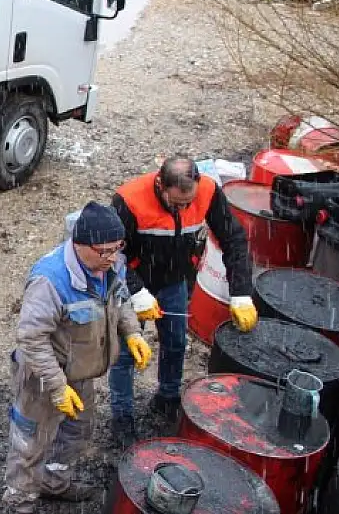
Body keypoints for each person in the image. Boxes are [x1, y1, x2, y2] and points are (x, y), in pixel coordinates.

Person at [2, 202, 152, 514]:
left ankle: (54, 483)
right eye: (105, 251)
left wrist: (133, 332)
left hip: (81, 373)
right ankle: (20, 502)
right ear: (80, 244)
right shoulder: (50, 280)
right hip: (42, 379)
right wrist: (57, 387)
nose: (113, 258)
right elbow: (32, 338)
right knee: (30, 444)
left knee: (77, 430)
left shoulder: (110, 264)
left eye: (117, 248)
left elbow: (120, 301)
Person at [107, 156, 257, 446]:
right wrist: (137, 292)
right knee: (125, 351)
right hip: (133, 281)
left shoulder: (209, 192)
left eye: (188, 203)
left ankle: (167, 397)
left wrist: (240, 293)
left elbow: (234, 241)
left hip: (175, 279)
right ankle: (122, 417)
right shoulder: (128, 200)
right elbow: (113, 256)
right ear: (160, 184)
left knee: (176, 343)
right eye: (176, 204)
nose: (184, 209)